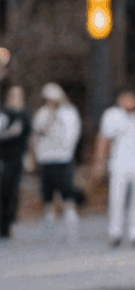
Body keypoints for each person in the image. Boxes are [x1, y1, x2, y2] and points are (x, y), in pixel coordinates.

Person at [94, 88, 135, 247]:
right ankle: (115, 232)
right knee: (117, 197)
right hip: (119, 161)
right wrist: (99, 162)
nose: (129, 102)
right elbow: (103, 139)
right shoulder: (112, 115)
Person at [31, 83, 83, 236]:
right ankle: (49, 218)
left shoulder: (69, 113)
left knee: (66, 187)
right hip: (46, 157)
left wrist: (68, 150)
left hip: (63, 157)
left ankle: (71, 218)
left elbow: (73, 133)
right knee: (47, 190)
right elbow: (37, 133)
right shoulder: (42, 113)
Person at [0, 86, 32, 238]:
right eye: (13, 94)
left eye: (18, 95)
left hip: (16, 159)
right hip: (3, 158)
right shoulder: (3, 114)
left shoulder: (24, 116)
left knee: (12, 191)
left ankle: (8, 224)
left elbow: (28, 137)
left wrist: (30, 156)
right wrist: (9, 133)